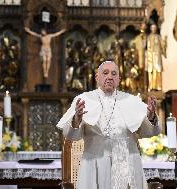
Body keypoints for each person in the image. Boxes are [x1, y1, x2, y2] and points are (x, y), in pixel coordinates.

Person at [57, 60, 160, 189]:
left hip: (128, 165)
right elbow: (71, 135)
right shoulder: (84, 99)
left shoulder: (131, 101)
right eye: (105, 73)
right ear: (97, 78)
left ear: (119, 79)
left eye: (114, 74)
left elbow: (150, 132)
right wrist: (77, 118)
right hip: (95, 165)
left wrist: (150, 116)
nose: (110, 77)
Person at [145, 24, 167, 91]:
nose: (153, 29)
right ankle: (151, 86)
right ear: (150, 29)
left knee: (158, 71)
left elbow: (163, 46)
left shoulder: (159, 37)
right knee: (150, 71)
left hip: (157, 57)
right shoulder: (148, 37)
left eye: (155, 27)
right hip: (150, 57)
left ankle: (158, 86)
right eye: (152, 27)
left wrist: (165, 41)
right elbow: (145, 47)